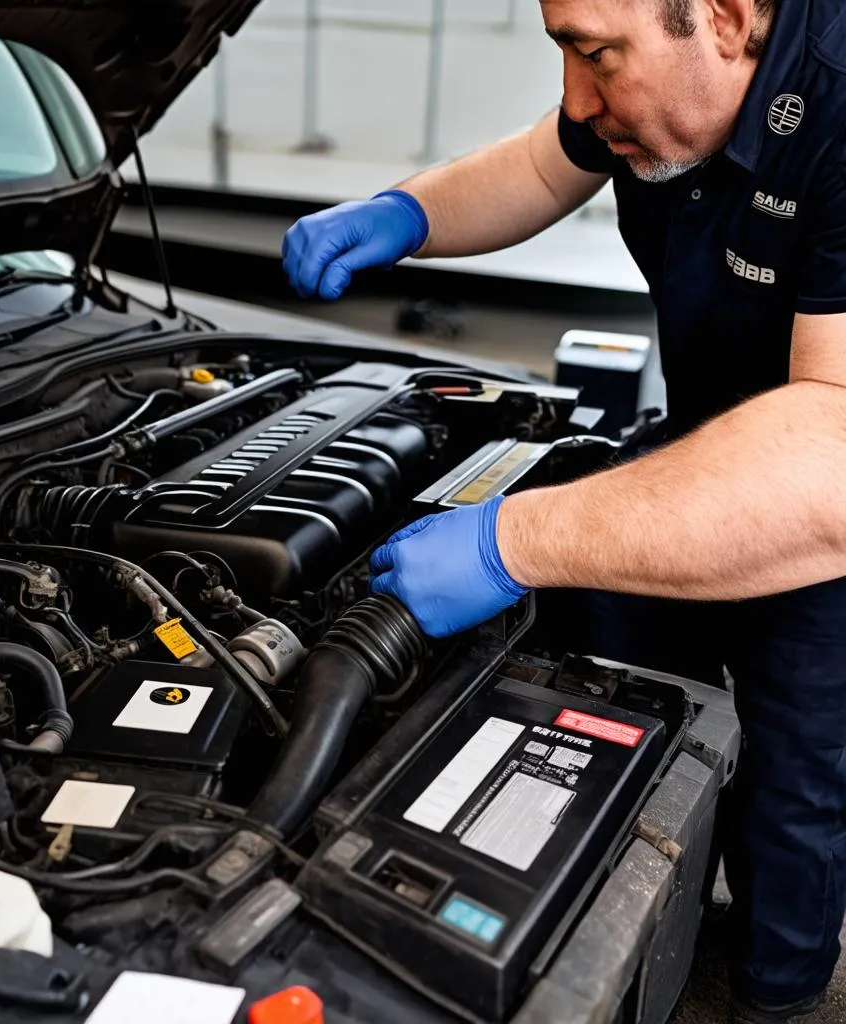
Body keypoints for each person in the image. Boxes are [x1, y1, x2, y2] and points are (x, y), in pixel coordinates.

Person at [281, 1, 846, 1022]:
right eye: (562, 51)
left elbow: (829, 458)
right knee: (619, 686)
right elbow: (543, 167)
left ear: (721, 17)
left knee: (795, 782)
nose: (578, 99)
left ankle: (773, 992)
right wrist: (403, 214)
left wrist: (510, 540)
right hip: (704, 435)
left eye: (597, 56)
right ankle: (615, 926)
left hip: (818, 505)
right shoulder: (647, 82)